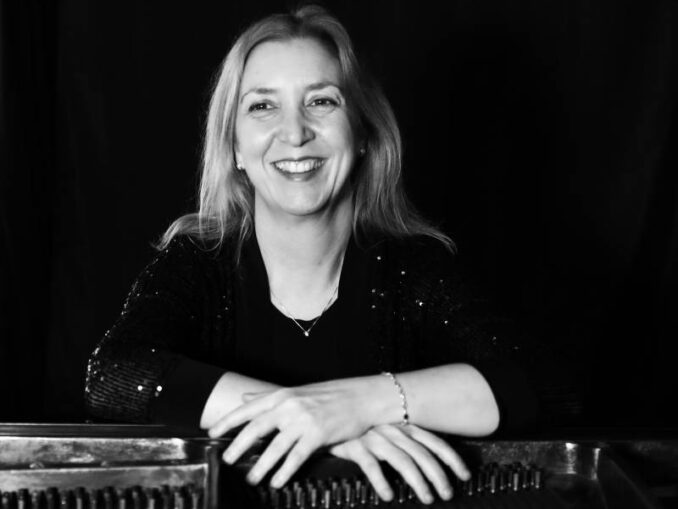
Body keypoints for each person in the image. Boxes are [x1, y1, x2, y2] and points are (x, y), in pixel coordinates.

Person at [85, 5, 562, 504]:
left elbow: (542, 386)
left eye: (321, 101)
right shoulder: (197, 262)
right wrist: (309, 420)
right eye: (262, 106)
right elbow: (114, 374)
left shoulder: (413, 267)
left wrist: (360, 404)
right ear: (235, 148)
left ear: (362, 133)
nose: (294, 133)